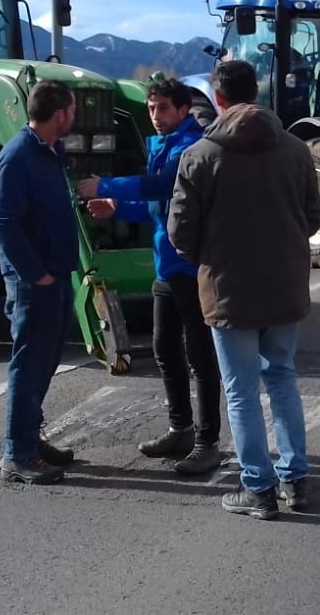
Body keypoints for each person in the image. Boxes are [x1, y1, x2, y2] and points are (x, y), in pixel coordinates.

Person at [168, 60, 320, 520]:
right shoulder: (295, 150)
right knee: (282, 378)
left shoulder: (199, 156)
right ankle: (296, 480)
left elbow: (180, 231)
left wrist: (209, 257)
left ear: (217, 99)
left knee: (239, 391)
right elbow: (314, 217)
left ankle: (258, 489)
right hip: (283, 284)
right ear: (255, 92)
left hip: (228, 287)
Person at [78, 77, 222, 476]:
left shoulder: (189, 147)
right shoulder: (161, 144)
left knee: (200, 355)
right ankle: (181, 428)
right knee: (164, 348)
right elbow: (163, 208)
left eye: (162, 108)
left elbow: (164, 185)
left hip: (190, 268)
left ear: (181, 109)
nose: (154, 116)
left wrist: (104, 185)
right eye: (151, 108)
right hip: (167, 264)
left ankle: (208, 442)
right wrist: (116, 208)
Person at [0, 79, 80, 485]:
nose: (74, 117)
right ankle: (18, 453)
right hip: (34, 282)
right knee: (28, 364)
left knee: (45, 362)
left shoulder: (50, 153)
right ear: (59, 114)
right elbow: (3, 223)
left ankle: (31, 436)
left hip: (55, 274)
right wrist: (36, 273)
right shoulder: (18, 156)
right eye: (72, 110)